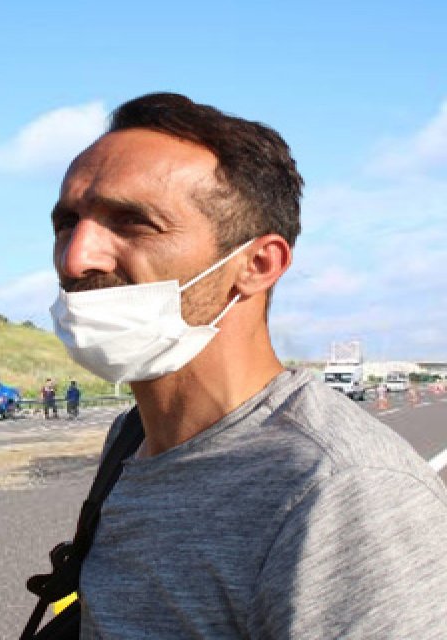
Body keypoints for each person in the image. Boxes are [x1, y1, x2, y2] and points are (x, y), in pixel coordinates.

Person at [41, 92, 447, 636]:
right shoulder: (132, 435)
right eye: (68, 223)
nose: (75, 256)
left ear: (257, 264)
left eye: (134, 224)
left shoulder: (341, 489)